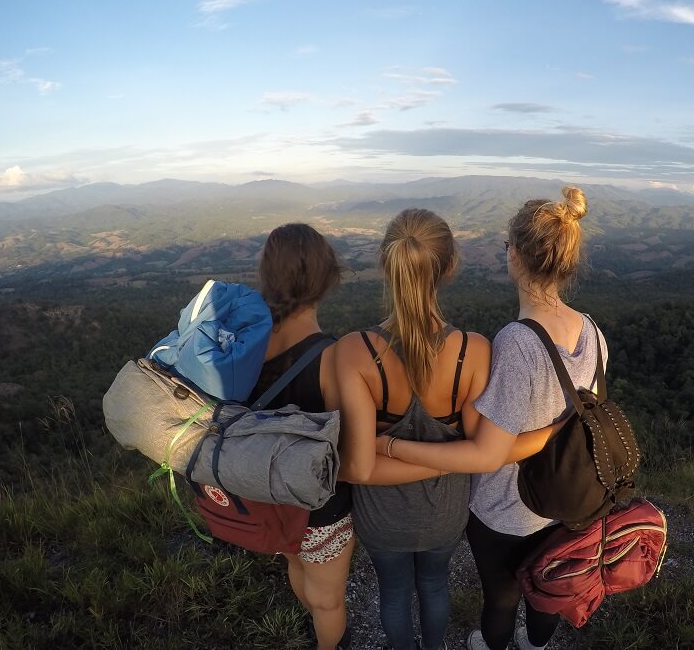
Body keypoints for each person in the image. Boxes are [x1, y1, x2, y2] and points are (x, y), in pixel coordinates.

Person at [376, 187, 606, 650]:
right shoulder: (593, 331)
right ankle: (537, 645)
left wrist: (392, 447)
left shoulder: (516, 344)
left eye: (506, 248)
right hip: (571, 495)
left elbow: (488, 452)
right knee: (549, 590)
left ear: (515, 256)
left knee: (501, 598)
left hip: (509, 508)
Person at [334, 208, 492, 650]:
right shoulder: (473, 351)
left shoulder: (354, 351)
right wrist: (442, 465)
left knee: (394, 592)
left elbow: (359, 467)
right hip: (445, 514)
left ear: (386, 265)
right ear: (450, 266)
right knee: (436, 585)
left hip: (381, 517)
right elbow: (474, 447)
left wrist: (389, 444)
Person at [249, 223, 354, 650]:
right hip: (319, 505)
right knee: (330, 602)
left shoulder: (245, 345)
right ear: (328, 278)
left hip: (267, 490)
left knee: (295, 561)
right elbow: (344, 440)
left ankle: (315, 621)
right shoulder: (331, 355)